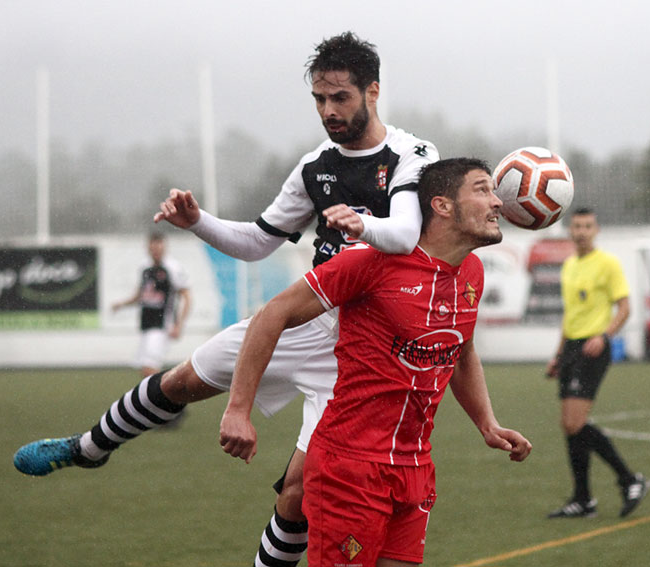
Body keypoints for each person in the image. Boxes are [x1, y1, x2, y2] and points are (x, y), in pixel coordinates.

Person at [12, 31, 439, 567]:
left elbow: (402, 234)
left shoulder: (412, 154)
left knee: (299, 494)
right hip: (304, 319)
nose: (328, 111)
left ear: (373, 92)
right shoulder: (314, 167)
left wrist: (362, 224)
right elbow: (257, 241)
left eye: (341, 98)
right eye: (319, 100)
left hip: (360, 349)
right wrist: (198, 222)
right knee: (180, 382)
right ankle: (88, 449)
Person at [219, 158, 532, 566]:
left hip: (416, 467)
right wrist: (239, 410)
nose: (498, 201)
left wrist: (487, 424)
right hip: (350, 468)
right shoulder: (371, 262)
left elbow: (461, 350)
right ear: (441, 206)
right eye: (483, 190)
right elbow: (271, 315)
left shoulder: (471, 271)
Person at [545, 208, 649, 519]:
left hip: (594, 347)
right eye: (576, 226)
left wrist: (604, 336)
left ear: (596, 229)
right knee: (570, 426)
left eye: (587, 226)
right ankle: (583, 500)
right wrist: (558, 355)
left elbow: (625, 308)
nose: (581, 231)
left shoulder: (608, 264)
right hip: (572, 348)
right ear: (570, 230)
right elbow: (570, 316)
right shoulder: (569, 266)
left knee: (575, 423)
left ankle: (630, 480)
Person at [111, 232, 191, 377]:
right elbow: (140, 296)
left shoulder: (172, 268)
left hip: (162, 325)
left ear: (164, 248)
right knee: (146, 371)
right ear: (148, 248)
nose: (156, 252)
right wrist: (122, 304)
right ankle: (159, 398)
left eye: (159, 248)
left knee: (150, 368)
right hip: (146, 323)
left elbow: (187, 298)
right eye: (153, 249)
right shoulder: (145, 268)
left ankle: (166, 398)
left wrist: (179, 325)